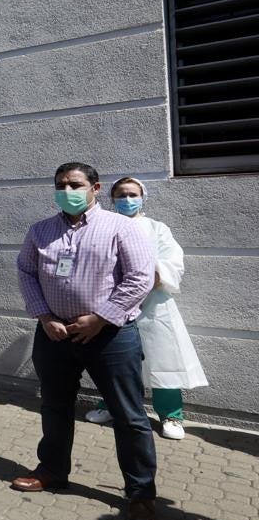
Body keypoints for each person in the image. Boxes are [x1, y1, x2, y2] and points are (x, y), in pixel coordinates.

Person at [13, 162, 158, 520]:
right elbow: (26, 272)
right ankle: (52, 471)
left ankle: (140, 493)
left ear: (95, 187)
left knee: (129, 416)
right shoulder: (40, 230)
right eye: (60, 184)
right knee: (55, 407)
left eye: (75, 184)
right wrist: (45, 317)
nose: (67, 191)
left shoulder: (121, 227)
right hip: (55, 335)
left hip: (111, 335)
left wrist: (101, 317)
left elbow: (141, 278)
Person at [84, 178, 208, 440]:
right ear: (112, 198)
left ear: (143, 197)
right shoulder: (103, 225)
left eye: (132, 194)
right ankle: (110, 406)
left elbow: (173, 263)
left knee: (163, 360)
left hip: (154, 305)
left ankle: (171, 415)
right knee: (114, 361)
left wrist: (144, 279)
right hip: (113, 305)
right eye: (121, 194)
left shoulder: (157, 228)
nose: (127, 199)